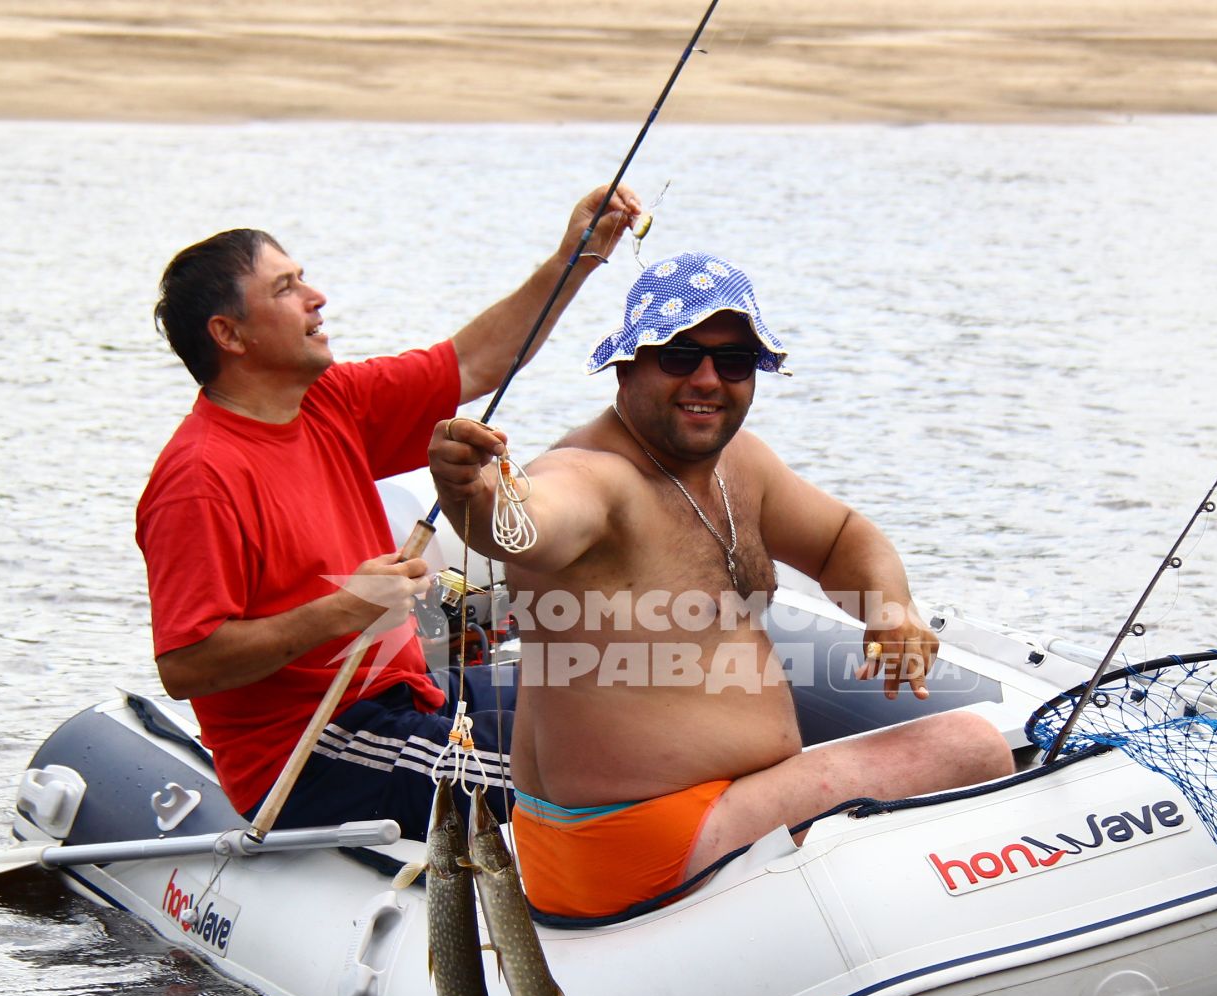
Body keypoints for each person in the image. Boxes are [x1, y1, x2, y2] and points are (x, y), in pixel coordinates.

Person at [428, 251, 1013, 916]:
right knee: (972, 747)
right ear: (628, 363)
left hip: (720, 812)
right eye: (680, 355)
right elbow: (522, 523)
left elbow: (844, 536)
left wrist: (890, 608)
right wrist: (468, 488)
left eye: (733, 362)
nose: (707, 378)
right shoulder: (591, 474)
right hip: (634, 847)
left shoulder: (742, 464)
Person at [137, 184, 644, 839]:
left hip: (412, 697)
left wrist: (575, 258)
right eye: (286, 288)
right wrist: (344, 609)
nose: (316, 298)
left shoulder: (327, 401)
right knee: (582, 777)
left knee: (632, 707)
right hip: (319, 750)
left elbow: (475, 361)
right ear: (228, 334)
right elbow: (186, 665)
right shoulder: (198, 477)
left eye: (303, 279)